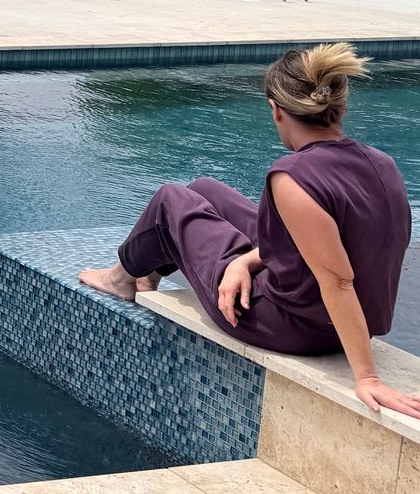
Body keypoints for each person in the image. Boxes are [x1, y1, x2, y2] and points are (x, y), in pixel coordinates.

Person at [78, 42, 420, 420]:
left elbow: (338, 280)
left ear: (276, 111)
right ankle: (151, 275)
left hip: (286, 325)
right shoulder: (382, 163)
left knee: (171, 200)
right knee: (205, 190)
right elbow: (333, 245)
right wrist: (244, 262)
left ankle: (121, 278)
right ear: (340, 108)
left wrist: (368, 377)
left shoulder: (294, 178)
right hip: (332, 319)